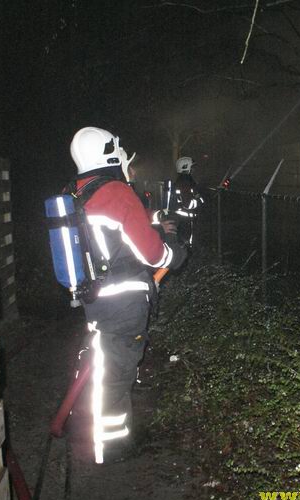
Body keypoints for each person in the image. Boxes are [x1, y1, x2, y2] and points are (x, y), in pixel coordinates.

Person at [68, 126, 187, 464]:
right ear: (110, 155)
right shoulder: (117, 192)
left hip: (97, 297)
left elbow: (114, 227)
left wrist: (153, 218)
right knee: (116, 373)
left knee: (104, 360)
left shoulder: (80, 191)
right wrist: (175, 253)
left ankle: (86, 422)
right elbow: (153, 253)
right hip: (123, 303)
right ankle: (110, 447)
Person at [172, 156, 205, 247]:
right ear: (186, 168)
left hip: (183, 220)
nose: (193, 170)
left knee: (184, 244)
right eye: (192, 167)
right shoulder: (185, 182)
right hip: (184, 222)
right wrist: (199, 201)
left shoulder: (183, 181)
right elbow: (188, 204)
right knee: (185, 245)